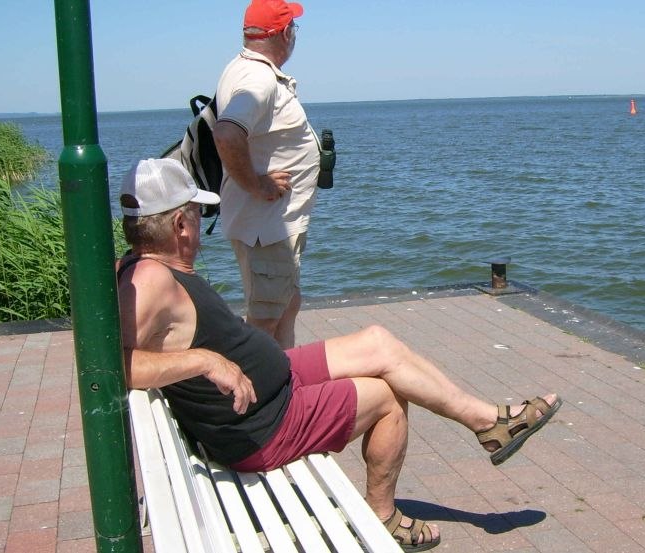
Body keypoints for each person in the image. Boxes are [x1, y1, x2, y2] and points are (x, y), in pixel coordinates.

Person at [116, 158, 562, 552]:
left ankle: (489, 422)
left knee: (378, 341)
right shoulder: (151, 281)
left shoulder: (144, 269)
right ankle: (384, 516)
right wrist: (206, 361)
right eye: (198, 212)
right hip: (264, 426)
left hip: (275, 386)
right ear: (179, 225)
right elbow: (116, 366)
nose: (201, 222)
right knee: (387, 399)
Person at [212, 0, 319, 349]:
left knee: (286, 305)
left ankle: (287, 380)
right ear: (286, 33)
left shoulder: (244, 68)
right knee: (265, 319)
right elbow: (227, 133)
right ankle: (260, 395)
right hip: (267, 228)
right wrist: (256, 184)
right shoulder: (259, 79)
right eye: (294, 29)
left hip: (271, 225)